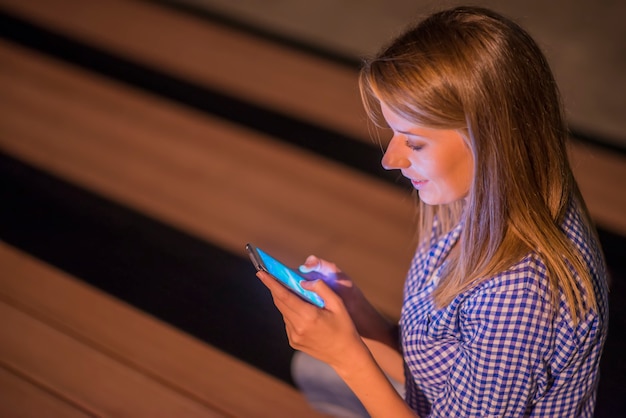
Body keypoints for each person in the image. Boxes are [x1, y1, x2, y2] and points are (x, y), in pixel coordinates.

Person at [256, 6, 609, 417]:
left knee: (325, 369)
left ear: (491, 142)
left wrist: (347, 356)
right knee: (316, 366)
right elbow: (434, 377)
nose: (390, 160)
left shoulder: (521, 297)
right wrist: (358, 317)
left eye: (415, 142)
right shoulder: (486, 202)